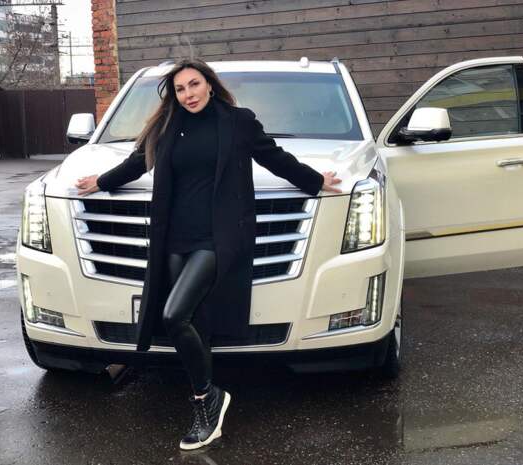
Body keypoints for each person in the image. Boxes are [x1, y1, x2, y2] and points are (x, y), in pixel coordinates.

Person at [75, 58, 342, 450]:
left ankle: (207, 397)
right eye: (180, 89)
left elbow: (275, 157)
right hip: (174, 239)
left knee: (174, 314)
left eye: (194, 85)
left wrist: (315, 180)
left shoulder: (237, 122)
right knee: (195, 324)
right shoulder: (168, 126)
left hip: (217, 238)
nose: (189, 94)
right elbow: (137, 162)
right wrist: (101, 181)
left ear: (210, 85)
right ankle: (208, 408)